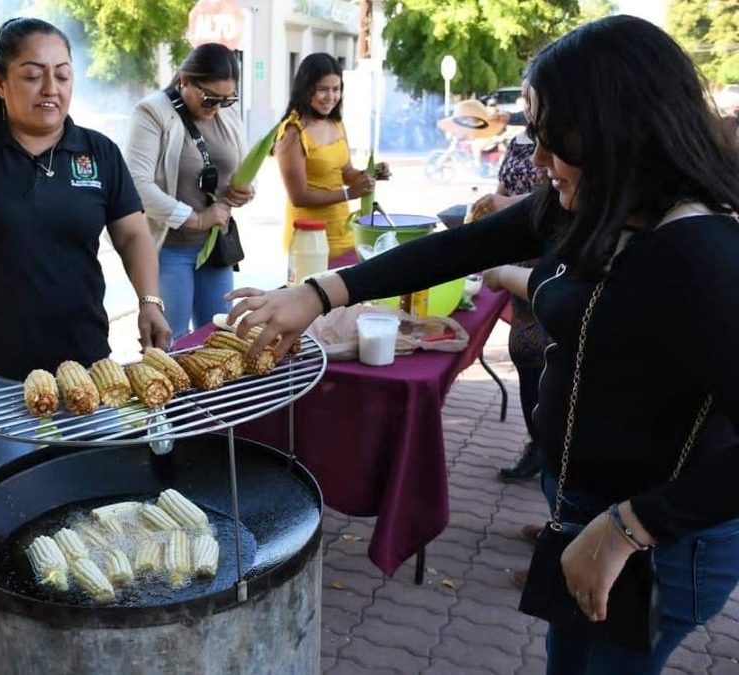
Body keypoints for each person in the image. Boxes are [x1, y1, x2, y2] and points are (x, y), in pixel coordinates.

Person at [228, 16, 739, 675]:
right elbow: (465, 246)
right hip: (581, 507)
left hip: (658, 540)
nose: (542, 158)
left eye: (558, 137)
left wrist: (630, 527)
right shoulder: (596, 206)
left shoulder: (705, 254)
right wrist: (323, 292)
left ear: (620, 132)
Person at [0, 17, 171, 469]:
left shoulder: (98, 152)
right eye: (32, 74)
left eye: (62, 74)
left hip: (82, 354)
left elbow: (132, 232)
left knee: (95, 474)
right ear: (0, 82)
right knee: (14, 487)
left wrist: (150, 300)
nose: (50, 87)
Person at [124, 43, 254, 340]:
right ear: (184, 80)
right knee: (173, 339)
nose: (217, 107)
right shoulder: (152, 112)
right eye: (209, 98)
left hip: (215, 246)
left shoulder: (226, 114)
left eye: (227, 99)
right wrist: (195, 218)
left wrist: (244, 191)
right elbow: (137, 184)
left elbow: (241, 167)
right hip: (169, 247)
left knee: (219, 335)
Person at [470, 83, 549, 483]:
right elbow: (506, 189)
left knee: (544, 357)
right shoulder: (520, 140)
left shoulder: (567, 141)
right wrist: (492, 204)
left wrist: (504, 207)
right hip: (519, 258)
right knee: (523, 351)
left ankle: (547, 449)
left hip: (546, 259)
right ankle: (540, 445)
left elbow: (549, 198)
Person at [275, 53, 389, 259]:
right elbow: (298, 197)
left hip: (344, 236)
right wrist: (349, 194)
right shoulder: (293, 131)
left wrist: (370, 174)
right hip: (309, 241)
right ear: (306, 89)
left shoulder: (336, 124)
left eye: (336, 89)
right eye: (323, 89)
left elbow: (346, 172)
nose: (331, 97)